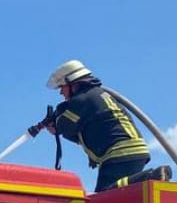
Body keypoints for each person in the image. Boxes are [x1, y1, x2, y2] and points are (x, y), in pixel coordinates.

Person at [32, 60, 151, 192]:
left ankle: (148, 178)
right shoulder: (96, 95)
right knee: (120, 194)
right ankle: (142, 181)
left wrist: (56, 123)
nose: (61, 93)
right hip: (132, 152)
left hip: (120, 154)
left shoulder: (82, 99)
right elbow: (84, 131)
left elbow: (64, 126)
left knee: (104, 195)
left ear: (73, 83)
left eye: (62, 87)